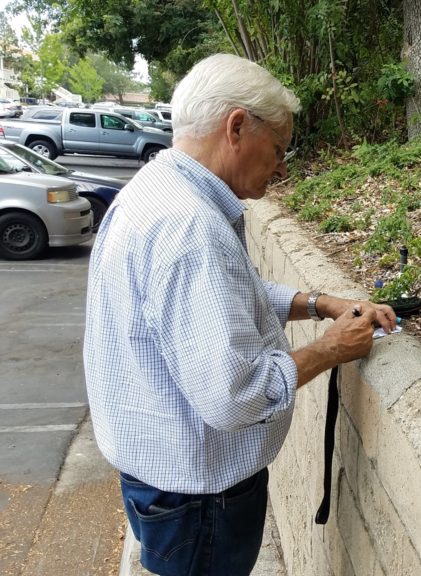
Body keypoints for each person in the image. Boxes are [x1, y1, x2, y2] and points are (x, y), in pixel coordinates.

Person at [83, 53, 397, 576]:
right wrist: (330, 349)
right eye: (277, 148)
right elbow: (234, 398)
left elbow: (232, 296)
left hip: (160, 483)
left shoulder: (155, 191)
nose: (282, 166)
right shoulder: (190, 228)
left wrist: (320, 304)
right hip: (200, 501)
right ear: (236, 127)